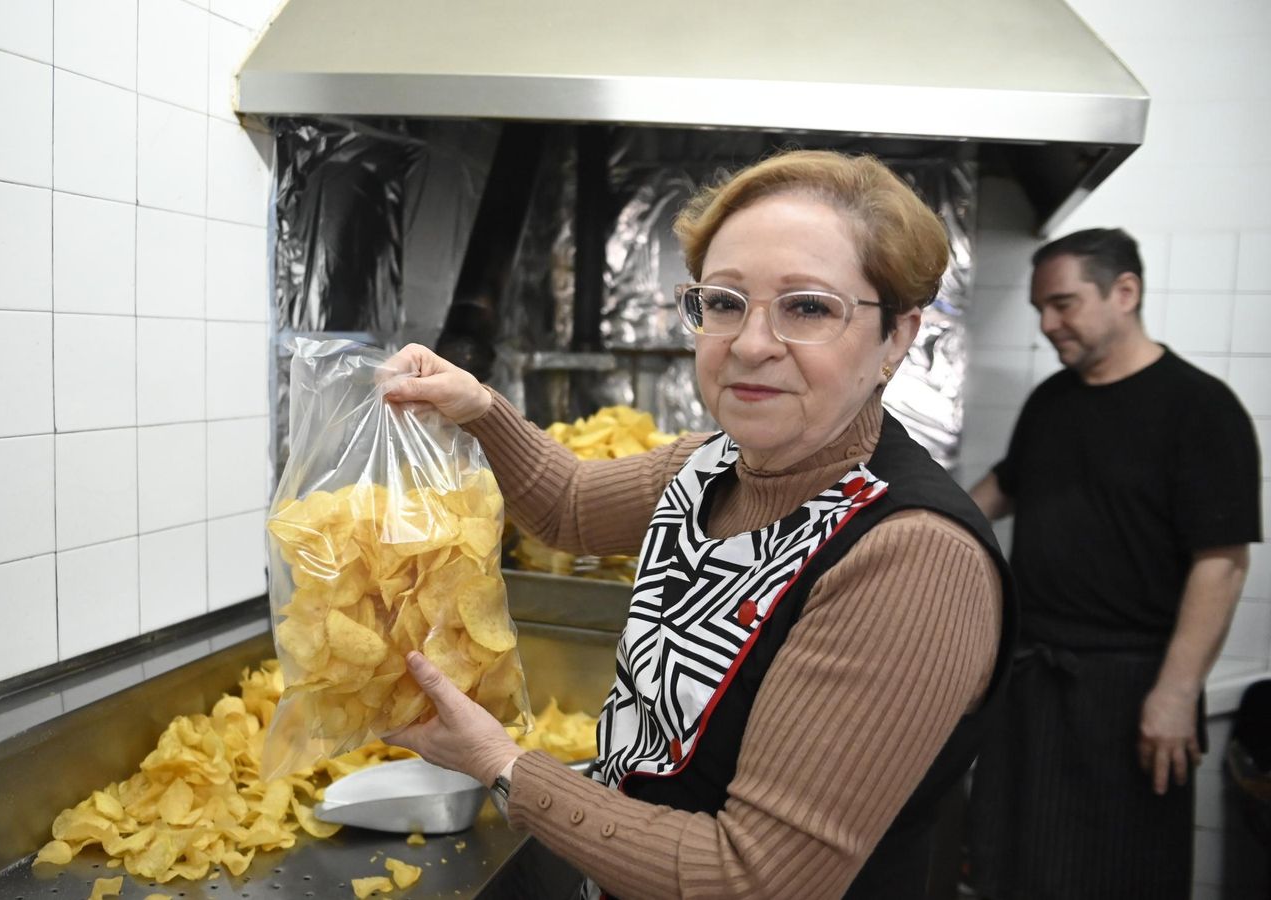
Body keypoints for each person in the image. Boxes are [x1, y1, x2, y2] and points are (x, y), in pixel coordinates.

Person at [380, 149, 1014, 899]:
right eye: (724, 301)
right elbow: (571, 506)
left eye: (807, 307)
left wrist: (503, 763)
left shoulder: (913, 559)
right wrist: (478, 407)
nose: (749, 343)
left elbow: (753, 879)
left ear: (897, 339)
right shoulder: (715, 465)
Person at [963, 228, 1261, 899]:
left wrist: (1177, 692)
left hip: (1131, 690)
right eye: (1041, 308)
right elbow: (1004, 488)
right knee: (1009, 868)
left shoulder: (1200, 408)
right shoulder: (1053, 402)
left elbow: (1222, 562)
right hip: (1033, 675)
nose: (1046, 324)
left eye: (1063, 304)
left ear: (1124, 292)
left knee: (1117, 877)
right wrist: (923, 526)